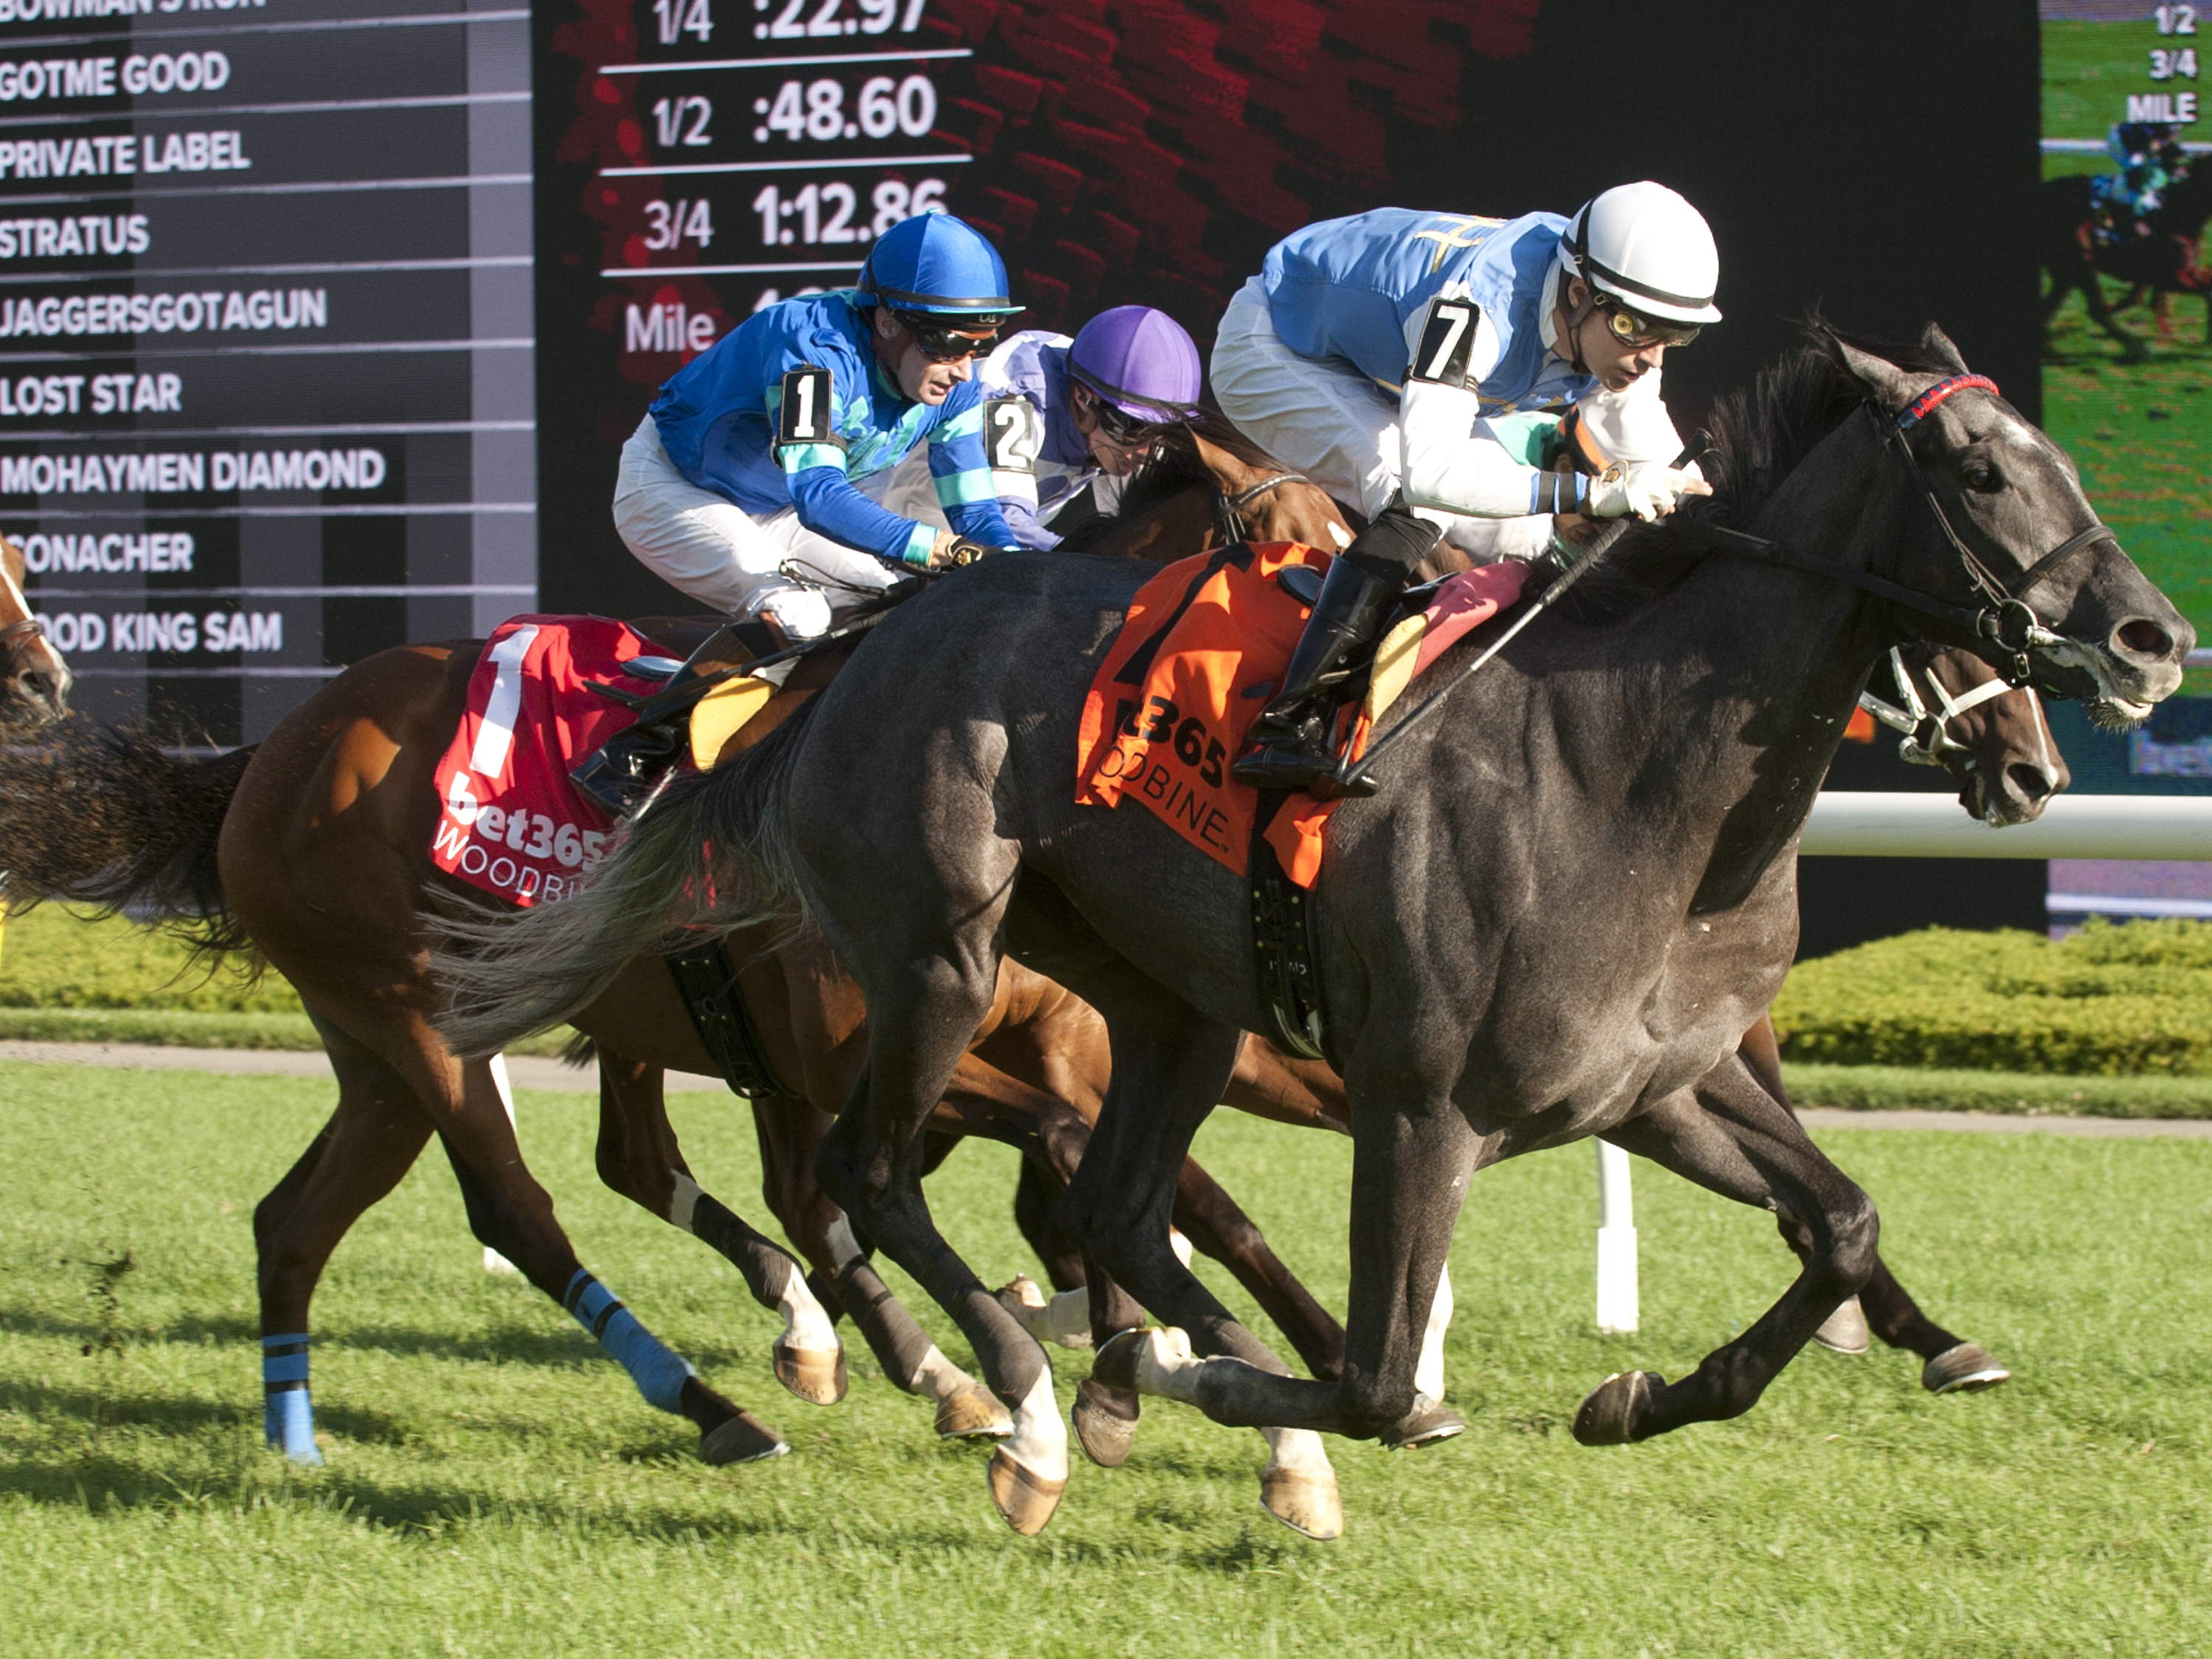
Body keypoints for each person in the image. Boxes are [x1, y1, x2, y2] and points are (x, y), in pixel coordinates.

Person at [1214, 182, 1723, 791]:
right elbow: (1433, 474)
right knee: (1414, 495)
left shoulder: (1608, 317)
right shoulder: (1476, 306)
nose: (1652, 360)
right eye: (1635, 329)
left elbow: (1668, 475)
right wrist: (1588, 495)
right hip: (1273, 344)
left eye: (1675, 337)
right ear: (1580, 293)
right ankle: (1285, 728)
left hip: (1379, 365)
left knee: (1525, 532)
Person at [611, 212, 1023, 641]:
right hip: (676, 488)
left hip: (779, 505)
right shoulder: (815, 350)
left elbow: (974, 513)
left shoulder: (956, 386)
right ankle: (670, 709)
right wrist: (941, 549)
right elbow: (820, 497)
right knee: (799, 614)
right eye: (950, 344)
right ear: (888, 322)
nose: (963, 371)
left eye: (982, 345)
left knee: (895, 610)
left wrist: (1016, 564)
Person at [860, 304, 1205, 549]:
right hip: (890, 529)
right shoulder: (1020, 392)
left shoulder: (1108, 401)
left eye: (1160, 433)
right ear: (1084, 398)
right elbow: (1005, 524)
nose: (1146, 452)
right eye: (1133, 429)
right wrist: (1102, 562)